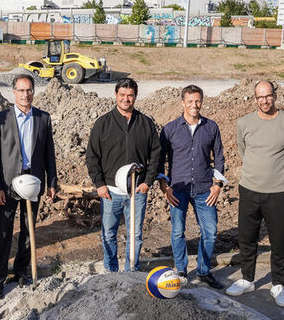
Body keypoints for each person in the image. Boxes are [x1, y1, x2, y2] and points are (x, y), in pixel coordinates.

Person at [226, 80, 284, 307]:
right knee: (247, 237)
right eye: (260, 97)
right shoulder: (244, 123)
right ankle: (247, 279)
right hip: (249, 189)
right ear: (255, 98)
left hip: (278, 192)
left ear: (275, 95)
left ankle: (278, 284)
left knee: (279, 241)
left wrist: (279, 174)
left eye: (268, 96)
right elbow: (243, 150)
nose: (265, 100)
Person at [0, 73, 57, 299]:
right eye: (21, 90)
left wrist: (52, 182)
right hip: (8, 184)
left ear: (34, 92)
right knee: (4, 230)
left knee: (28, 229)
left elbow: (49, 154)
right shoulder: (0, 119)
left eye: (29, 90)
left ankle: (22, 271)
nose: (25, 94)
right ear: (13, 92)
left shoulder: (43, 118)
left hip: (33, 181)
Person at [86, 78, 160, 272]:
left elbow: (156, 155)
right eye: (122, 95)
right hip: (110, 191)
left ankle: (130, 270)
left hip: (137, 190)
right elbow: (92, 155)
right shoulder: (103, 124)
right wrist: (99, 184)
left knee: (135, 234)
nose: (126, 99)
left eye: (130, 95)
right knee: (109, 233)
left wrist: (147, 182)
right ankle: (111, 271)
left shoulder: (145, 123)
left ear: (135, 96)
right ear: (116, 95)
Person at [158, 84, 226, 289]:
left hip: (205, 188)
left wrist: (217, 185)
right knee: (178, 231)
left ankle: (204, 271)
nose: (194, 105)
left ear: (202, 102)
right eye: (190, 101)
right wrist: (164, 187)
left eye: (197, 101)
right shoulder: (170, 129)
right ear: (183, 103)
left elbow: (220, 157)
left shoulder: (211, 127)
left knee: (211, 231)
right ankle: (181, 269)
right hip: (178, 188)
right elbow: (160, 161)